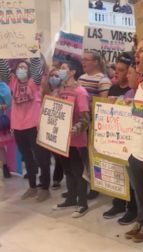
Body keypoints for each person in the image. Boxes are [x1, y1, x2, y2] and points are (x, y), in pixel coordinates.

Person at [0, 57, 51, 202]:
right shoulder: (12, 82)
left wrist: (34, 51)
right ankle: (32, 186)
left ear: (28, 71)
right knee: (28, 158)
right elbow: (3, 67)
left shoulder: (33, 82)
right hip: (18, 126)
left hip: (33, 126)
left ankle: (45, 188)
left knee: (41, 158)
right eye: (19, 67)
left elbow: (36, 67)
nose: (21, 69)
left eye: (24, 67)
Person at [125, 37, 143, 251]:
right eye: (136, 50)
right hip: (136, 157)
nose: (136, 55)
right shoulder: (141, 86)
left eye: (142, 50)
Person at [52, 59, 90, 218]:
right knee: (67, 170)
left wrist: (75, 129)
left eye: (63, 68)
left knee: (78, 171)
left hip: (76, 141)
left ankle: (82, 203)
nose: (60, 71)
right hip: (62, 140)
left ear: (73, 72)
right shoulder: (60, 90)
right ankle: (71, 197)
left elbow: (85, 119)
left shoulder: (80, 92)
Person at [102, 52, 137, 225]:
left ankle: (132, 209)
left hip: (130, 140)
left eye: (123, 70)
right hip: (115, 138)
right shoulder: (113, 88)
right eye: (116, 69)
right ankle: (118, 203)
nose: (117, 73)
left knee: (131, 177)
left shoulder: (133, 91)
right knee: (117, 172)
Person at [78, 50, 112, 200]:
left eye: (87, 59)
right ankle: (84, 184)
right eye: (82, 59)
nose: (83, 62)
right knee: (82, 157)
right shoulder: (80, 78)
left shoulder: (103, 80)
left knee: (93, 157)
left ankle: (95, 185)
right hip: (81, 124)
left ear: (96, 62)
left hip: (93, 125)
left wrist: (85, 105)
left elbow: (103, 104)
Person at [0, 80, 12, 178]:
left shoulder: (3, 87)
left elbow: (8, 104)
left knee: (1, 147)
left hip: (1, 119)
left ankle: (5, 167)